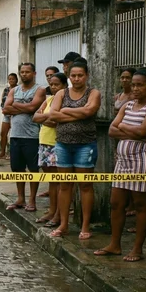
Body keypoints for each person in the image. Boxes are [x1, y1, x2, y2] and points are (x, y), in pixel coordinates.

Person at [96, 68, 146, 262]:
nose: (135, 88)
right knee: (116, 203)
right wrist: (131, 130)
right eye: (133, 84)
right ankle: (115, 244)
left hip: (144, 160)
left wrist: (124, 127)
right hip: (123, 161)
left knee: (142, 205)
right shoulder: (127, 106)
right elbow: (111, 130)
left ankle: (137, 249)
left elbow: (142, 132)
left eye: (140, 84)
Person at [48, 59, 102, 239]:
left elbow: (89, 112)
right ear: (69, 77)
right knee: (65, 185)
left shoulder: (93, 93)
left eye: (80, 75)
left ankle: (85, 226)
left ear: (86, 76)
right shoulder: (62, 93)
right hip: (63, 144)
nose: (77, 78)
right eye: (73, 75)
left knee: (85, 185)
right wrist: (78, 114)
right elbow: (53, 114)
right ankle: (63, 225)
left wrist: (65, 112)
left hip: (85, 145)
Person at [3, 63, 46, 212]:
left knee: (33, 169)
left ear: (34, 73)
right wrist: (24, 106)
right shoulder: (14, 90)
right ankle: (20, 198)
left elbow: (33, 108)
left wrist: (16, 105)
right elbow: (5, 109)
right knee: (17, 169)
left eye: (27, 72)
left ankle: (32, 200)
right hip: (15, 135)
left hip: (32, 136)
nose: (24, 74)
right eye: (22, 72)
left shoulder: (39, 90)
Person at [33, 72, 67, 226]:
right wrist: (48, 118)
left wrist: (45, 118)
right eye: (51, 84)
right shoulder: (49, 100)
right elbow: (35, 117)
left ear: (64, 86)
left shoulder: (65, 101)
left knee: (60, 182)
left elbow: (56, 122)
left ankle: (59, 214)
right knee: (52, 182)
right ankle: (52, 211)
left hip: (56, 143)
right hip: (44, 141)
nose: (53, 87)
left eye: (57, 84)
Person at [114, 68, 137, 217]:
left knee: (134, 173)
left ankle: (133, 204)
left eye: (128, 78)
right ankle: (126, 203)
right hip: (119, 137)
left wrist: (120, 124)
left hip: (132, 136)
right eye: (122, 77)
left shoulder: (134, 98)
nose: (124, 80)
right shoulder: (118, 95)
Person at [0, 73, 18, 159]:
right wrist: (3, 109)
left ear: (16, 80)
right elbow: (2, 101)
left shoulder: (18, 89)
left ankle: (12, 153)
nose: (11, 80)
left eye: (13, 79)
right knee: (3, 133)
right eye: (10, 79)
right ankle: (2, 152)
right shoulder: (6, 89)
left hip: (15, 114)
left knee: (13, 135)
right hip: (6, 114)